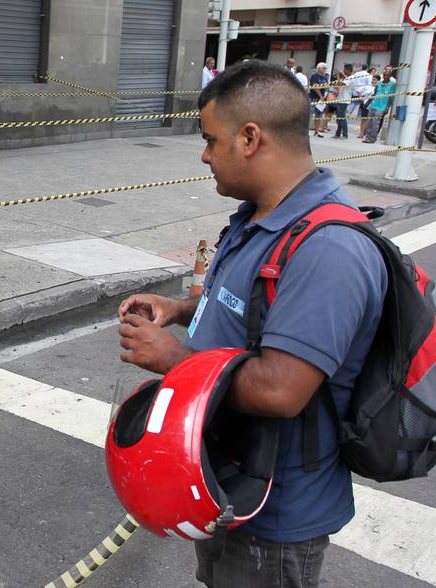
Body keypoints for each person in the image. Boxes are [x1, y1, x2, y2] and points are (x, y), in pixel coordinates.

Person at [117, 60, 385, 588]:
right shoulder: (260, 217)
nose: (204, 154)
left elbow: (280, 390)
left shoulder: (330, 248)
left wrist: (172, 359)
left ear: (249, 138)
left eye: (211, 140)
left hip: (276, 514)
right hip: (225, 480)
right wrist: (180, 309)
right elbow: (250, 306)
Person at [362, 69, 394, 143]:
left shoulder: (392, 84)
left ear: (390, 76)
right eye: (384, 75)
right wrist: (368, 102)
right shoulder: (379, 83)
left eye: (387, 75)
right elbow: (375, 93)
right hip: (374, 104)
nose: (385, 77)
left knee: (375, 123)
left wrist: (387, 107)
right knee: (369, 121)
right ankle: (367, 137)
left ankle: (372, 138)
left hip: (382, 106)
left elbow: (391, 97)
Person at [309, 63, 330, 137]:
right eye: (323, 68)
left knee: (319, 115)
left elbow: (327, 87)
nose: (325, 69)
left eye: (325, 68)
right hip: (314, 97)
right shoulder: (314, 76)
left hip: (322, 99)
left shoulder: (325, 77)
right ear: (319, 68)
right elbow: (315, 87)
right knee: (310, 113)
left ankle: (316, 131)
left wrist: (325, 96)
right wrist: (321, 96)